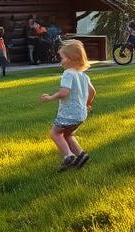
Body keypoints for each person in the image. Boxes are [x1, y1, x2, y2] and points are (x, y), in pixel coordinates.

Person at [39, 40, 96, 171]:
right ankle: (81, 155)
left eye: (62, 57)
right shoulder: (83, 75)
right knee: (67, 135)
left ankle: (68, 156)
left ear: (70, 59)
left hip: (68, 114)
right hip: (81, 114)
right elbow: (93, 91)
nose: (60, 60)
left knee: (55, 133)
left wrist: (50, 97)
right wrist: (86, 104)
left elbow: (64, 93)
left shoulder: (68, 73)